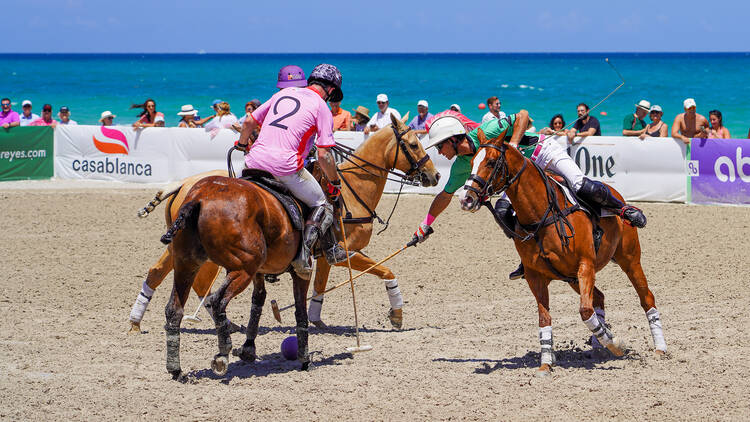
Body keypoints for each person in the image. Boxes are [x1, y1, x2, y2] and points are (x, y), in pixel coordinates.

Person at [412, 111, 647, 280]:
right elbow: (445, 195)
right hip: (521, 179)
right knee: (504, 212)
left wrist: (513, 144)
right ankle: (531, 259)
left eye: (440, 146)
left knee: (579, 185)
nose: (440, 153)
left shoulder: (487, 131)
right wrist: (425, 224)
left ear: (453, 139)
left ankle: (623, 209)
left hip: (542, 153)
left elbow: (523, 115)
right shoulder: (462, 165)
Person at [236, 63, 350, 273]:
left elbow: (249, 122)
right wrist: (334, 182)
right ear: (331, 90)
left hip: (252, 162)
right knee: (322, 204)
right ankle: (303, 257)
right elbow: (324, 156)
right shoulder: (322, 107)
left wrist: (242, 144)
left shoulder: (284, 93)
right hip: (285, 167)